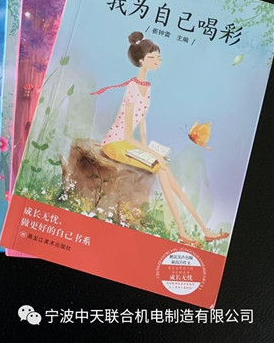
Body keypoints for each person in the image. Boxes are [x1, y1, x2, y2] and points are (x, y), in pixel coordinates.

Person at [91, 31, 228, 246]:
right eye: (153, 57)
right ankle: (184, 232)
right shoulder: (132, 87)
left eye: (159, 56)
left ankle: (204, 229)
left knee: (165, 170)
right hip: (115, 144)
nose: (158, 60)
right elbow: (128, 135)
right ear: (141, 61)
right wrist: (151, 153)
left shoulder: (147, 87)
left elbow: (142, 124)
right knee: (160, 167)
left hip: (129, 144)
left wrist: (149, 148)